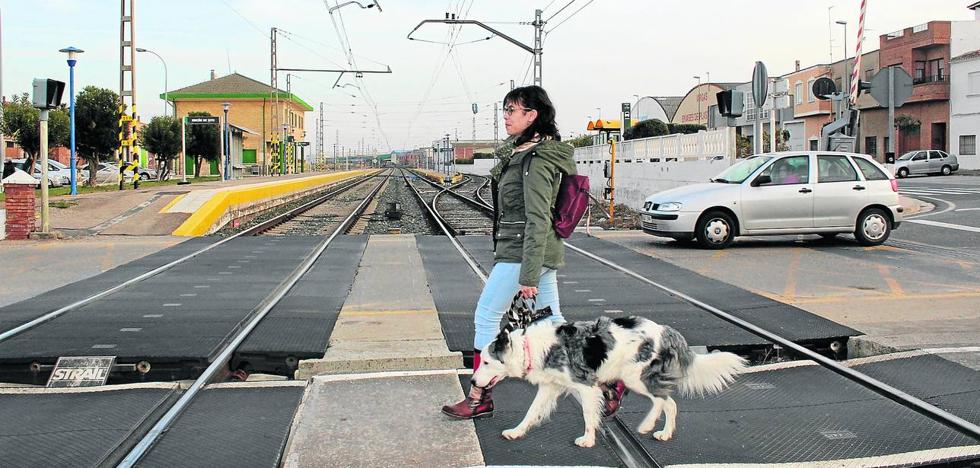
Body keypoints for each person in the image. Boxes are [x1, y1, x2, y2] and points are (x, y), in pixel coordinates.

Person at [441, 86, 627, 419]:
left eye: (512, 110)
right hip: (529, 250)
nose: (506, 116)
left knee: (486, 317)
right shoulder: (521, 153)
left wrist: (528, 274)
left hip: (524, 251)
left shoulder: (537, 159)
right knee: (555, 324)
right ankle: (605, 380)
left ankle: (478, 397)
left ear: (532, 115)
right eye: (505, 110)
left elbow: (538, 217)